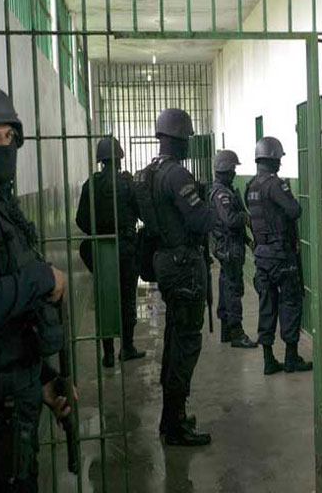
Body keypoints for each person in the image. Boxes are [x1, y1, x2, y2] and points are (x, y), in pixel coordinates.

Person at [0, 84, 73, 491]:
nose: (2, 146)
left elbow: (10, 320)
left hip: (10, 393)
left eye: (8, 136)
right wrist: (43, 277)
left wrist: (42, 378)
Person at [137, 108, 213, 446]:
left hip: (163, 261)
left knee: (174, 337)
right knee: (185, 343)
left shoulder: (146, 174)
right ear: (180, 138)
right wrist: (208, 205)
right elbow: (200, 221)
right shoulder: (177, 174)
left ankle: (171, 418)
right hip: (183, 265)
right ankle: (175, 425)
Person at [76, 137, 146, 368]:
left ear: (100, 159)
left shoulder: (91, 184)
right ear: (119, 158)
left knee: (105, 298)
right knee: (127, 298)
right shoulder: (127, 184)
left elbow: (81, 220)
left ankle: (107, 354)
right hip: (125, 247)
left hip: (102, 248)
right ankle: (127, 348)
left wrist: (99, 232)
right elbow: (141, 212)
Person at [245, 136, 312, 375]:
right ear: (272, 159)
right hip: (281, 256)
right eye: (279, 159)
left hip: (261, 256)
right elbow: (295, 211)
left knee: (266, 305)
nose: (280, 164)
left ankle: (268, 359)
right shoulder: (275, 185)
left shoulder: (250, 186)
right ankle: (291, 358)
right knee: (291, 303)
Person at [209, 149, 257, 349]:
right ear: (225, 170)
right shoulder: (222, 194)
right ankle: (236, 333)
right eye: (232, 169)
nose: (235, 172)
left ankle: (227, 332)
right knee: (234, 290)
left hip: (229, 246)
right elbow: (230, 221)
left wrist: (247, 240)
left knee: (226, 288)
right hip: (229, 249)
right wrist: (245, 218)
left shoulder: (225, 190)